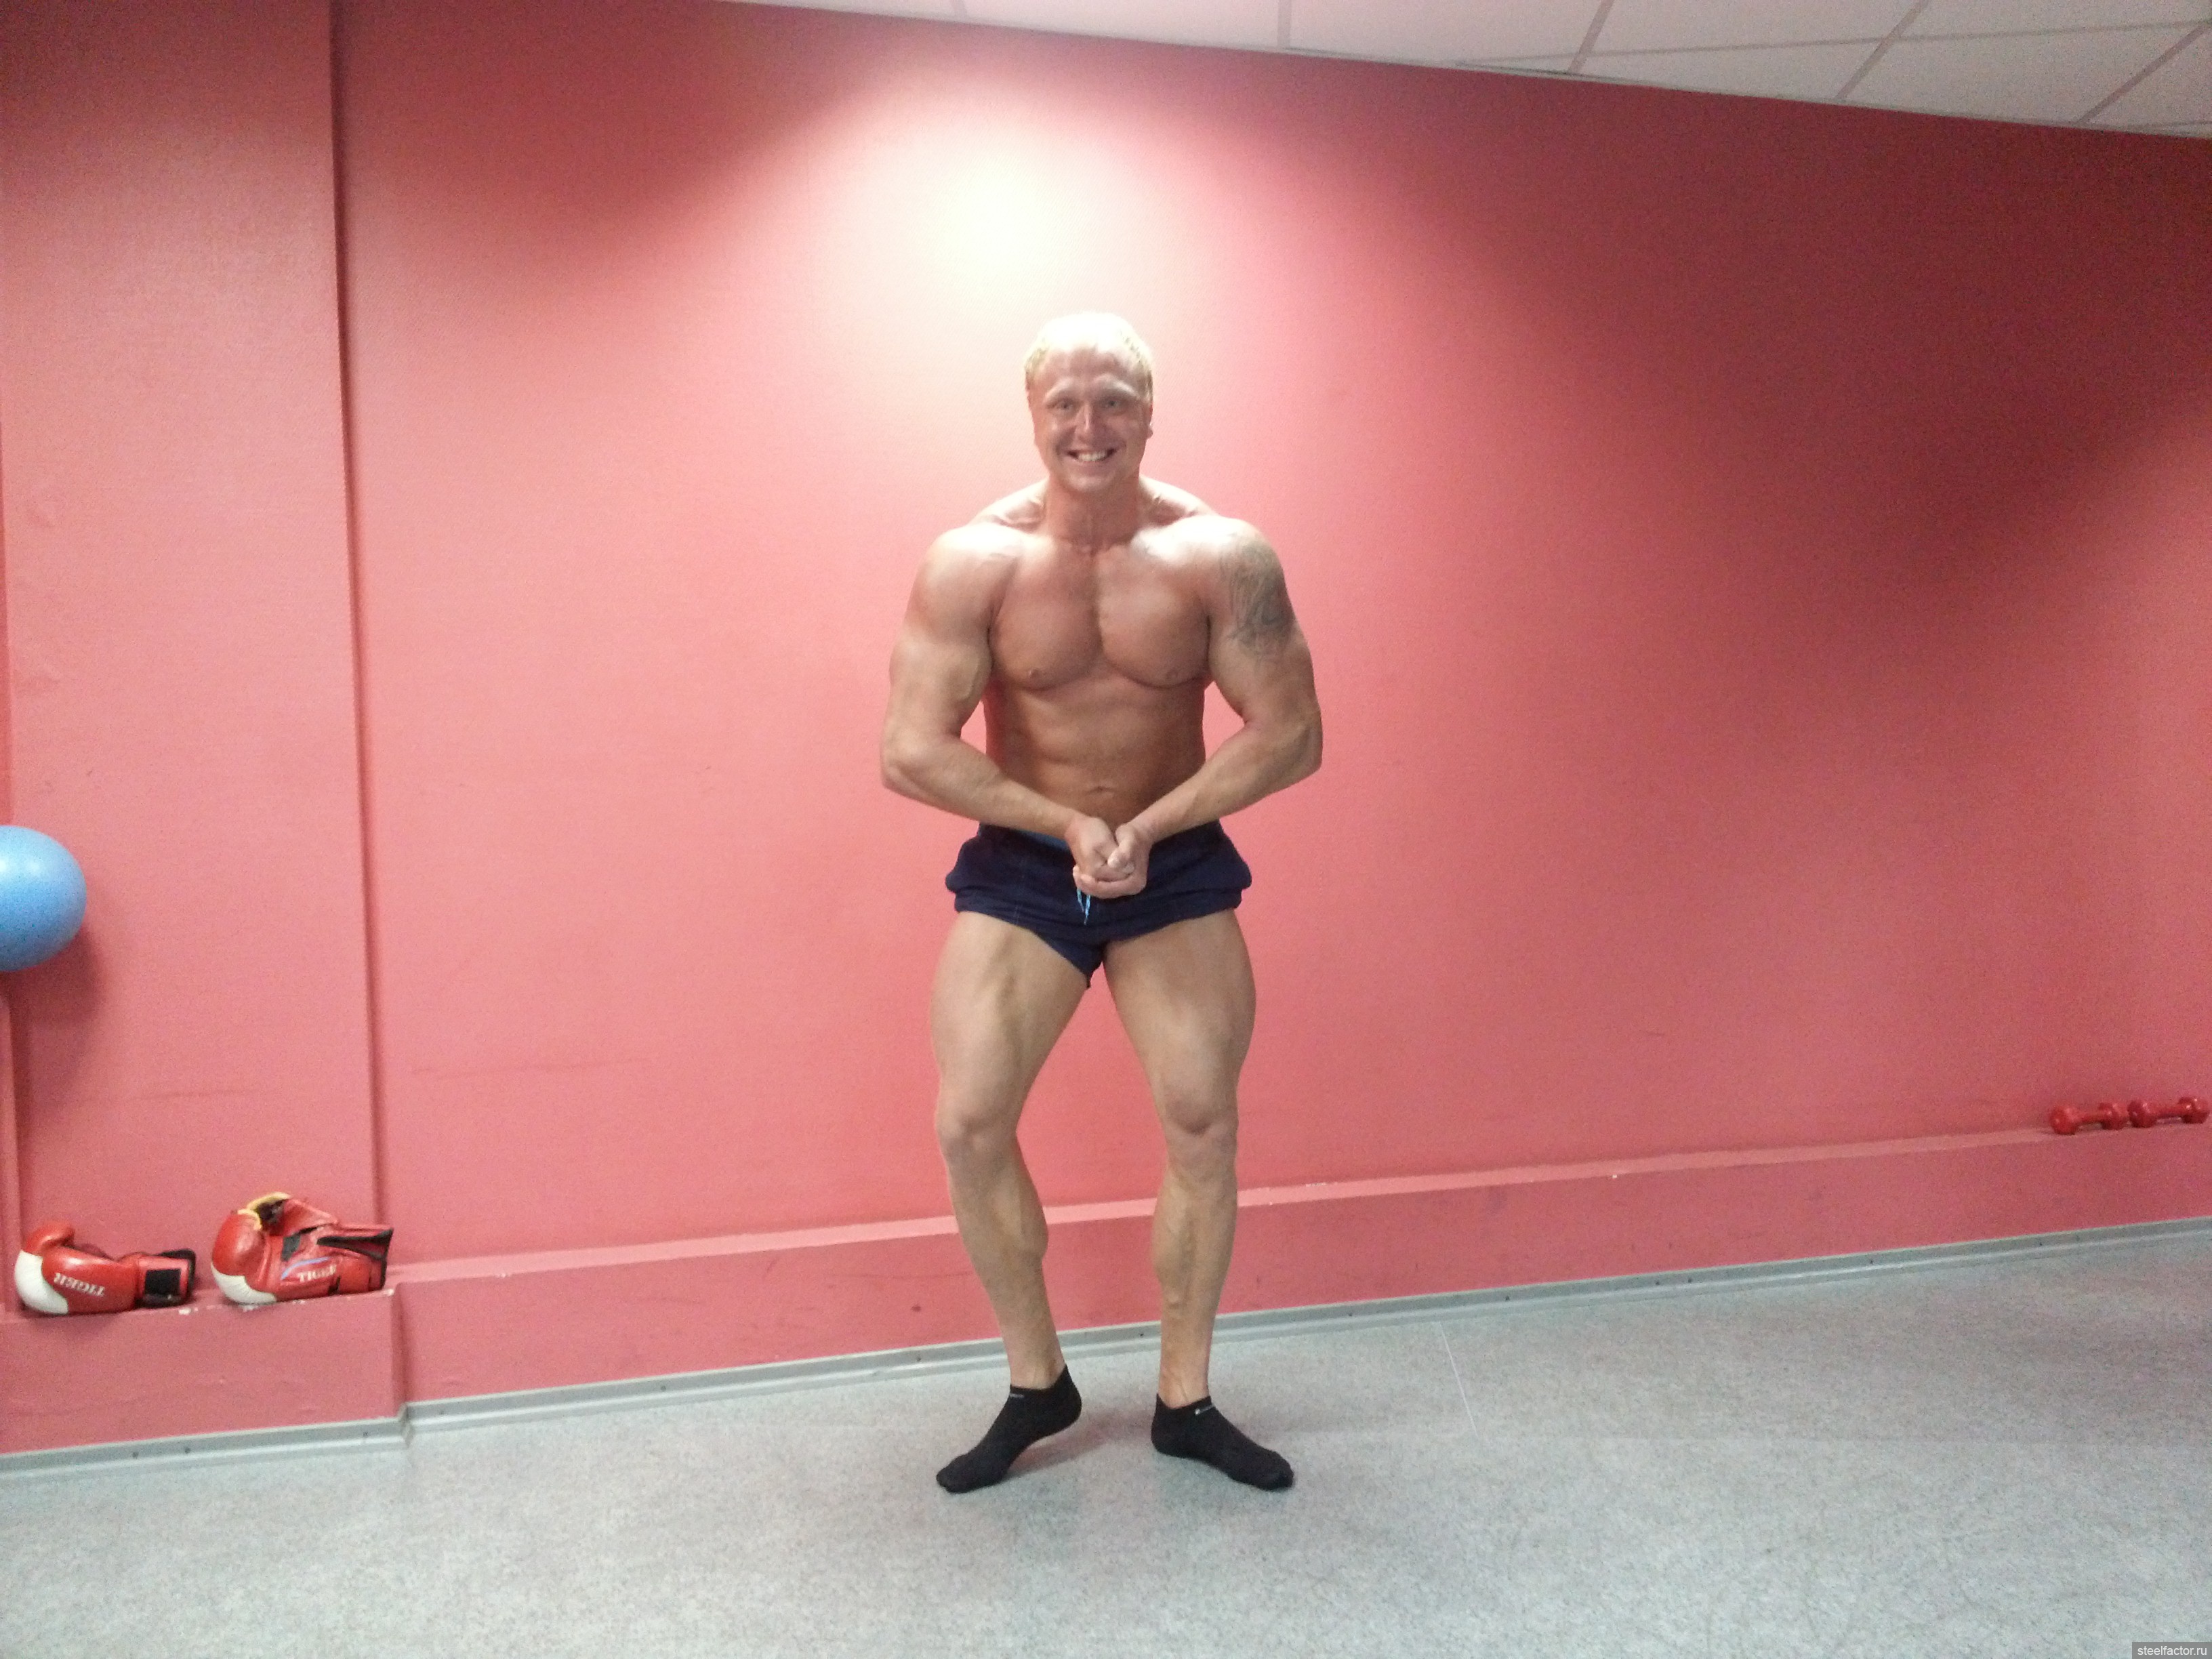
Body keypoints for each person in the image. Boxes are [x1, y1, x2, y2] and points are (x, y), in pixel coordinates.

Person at [880, 313, 1323, 1492]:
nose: (1090, 426)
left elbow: (1292, 733)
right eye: (1066, 404)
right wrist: (1067, 825)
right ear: (1034, 418)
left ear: (1149, 413)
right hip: (1030, 859)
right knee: (969, 1122)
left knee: (1203, 1121)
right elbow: (910, 749)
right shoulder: (974, 563)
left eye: (1114, 400)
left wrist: (1151, 827)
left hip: (1172, 858)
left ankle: (1186, 1400)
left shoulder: (1220, 556)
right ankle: (1039, 1384)